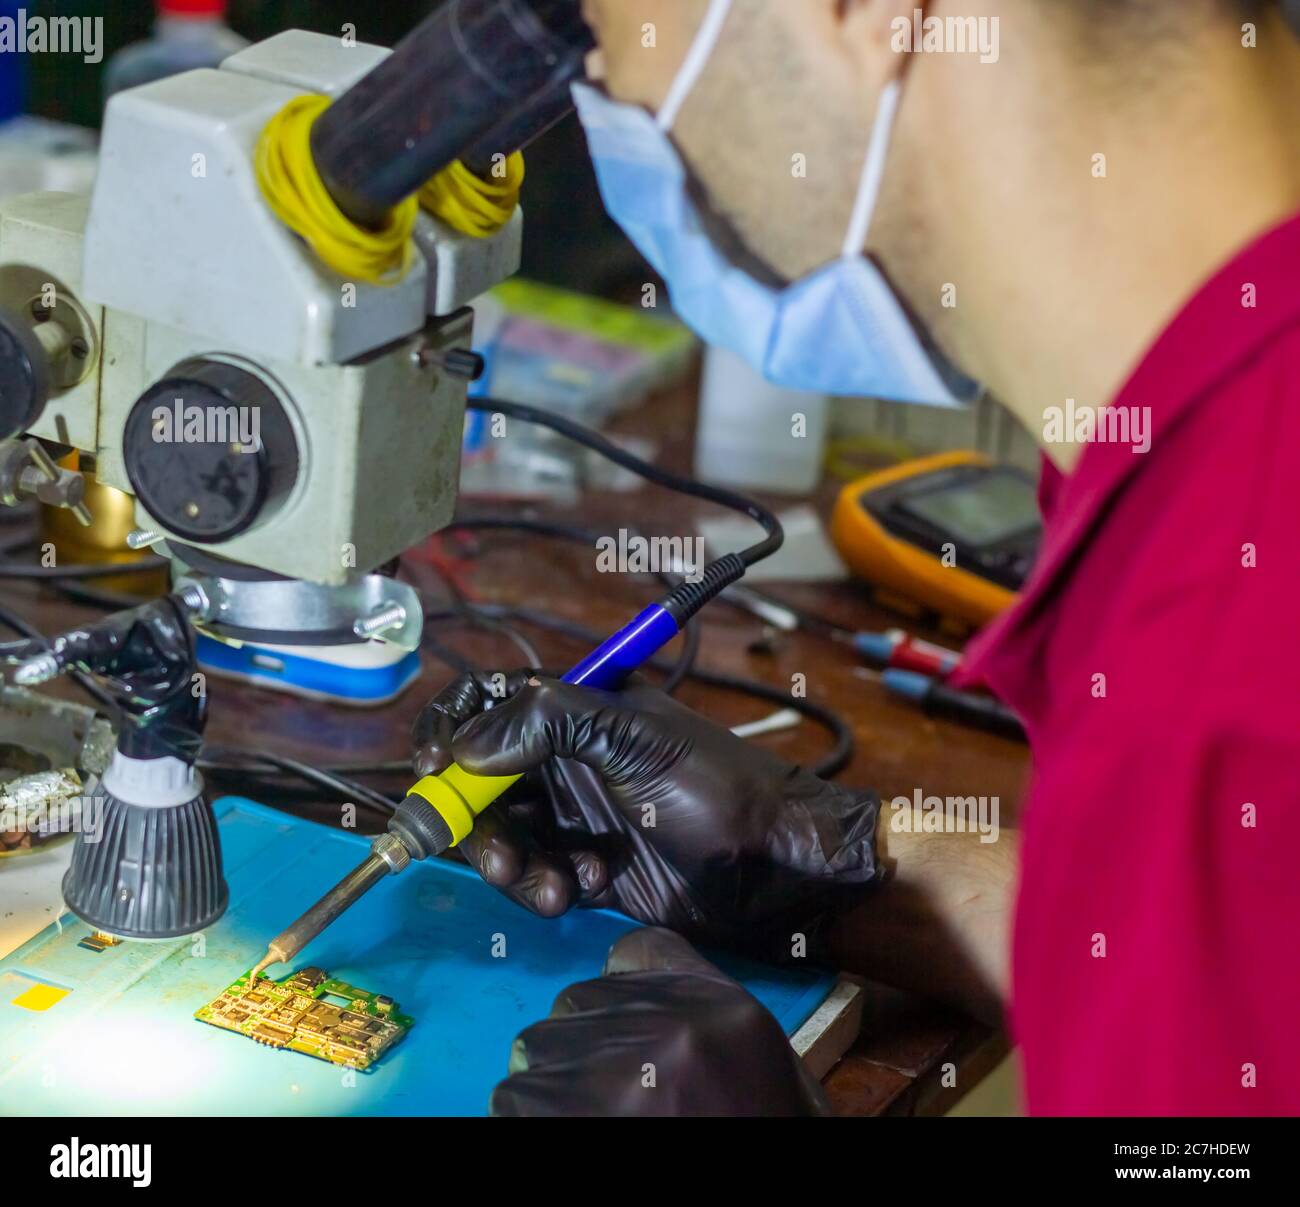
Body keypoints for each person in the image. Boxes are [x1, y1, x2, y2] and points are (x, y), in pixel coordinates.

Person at [413, 0, 1300, 1116]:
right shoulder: (1204, 452)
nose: (603, 80)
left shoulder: (1228, 650)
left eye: (602, 14)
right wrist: (835, 862)